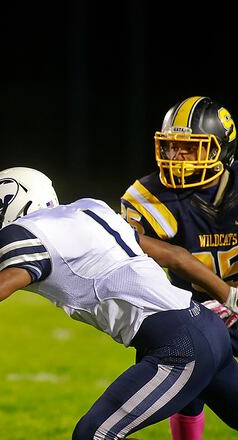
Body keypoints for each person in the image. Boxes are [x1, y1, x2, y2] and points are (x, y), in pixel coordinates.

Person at [0, 167, 238, 440]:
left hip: (178, 347)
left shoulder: (29, 235)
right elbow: (175, 256)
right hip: (206, 327)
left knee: (94, 434)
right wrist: (230, 295)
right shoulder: (92, 209)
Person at [119, 96, 238, 440]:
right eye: (170, 146)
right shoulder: (148, 196)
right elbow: (135, 268)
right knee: (178, 353)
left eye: (189, 148)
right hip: (189, 307)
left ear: (222, 150)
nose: (176, 157)